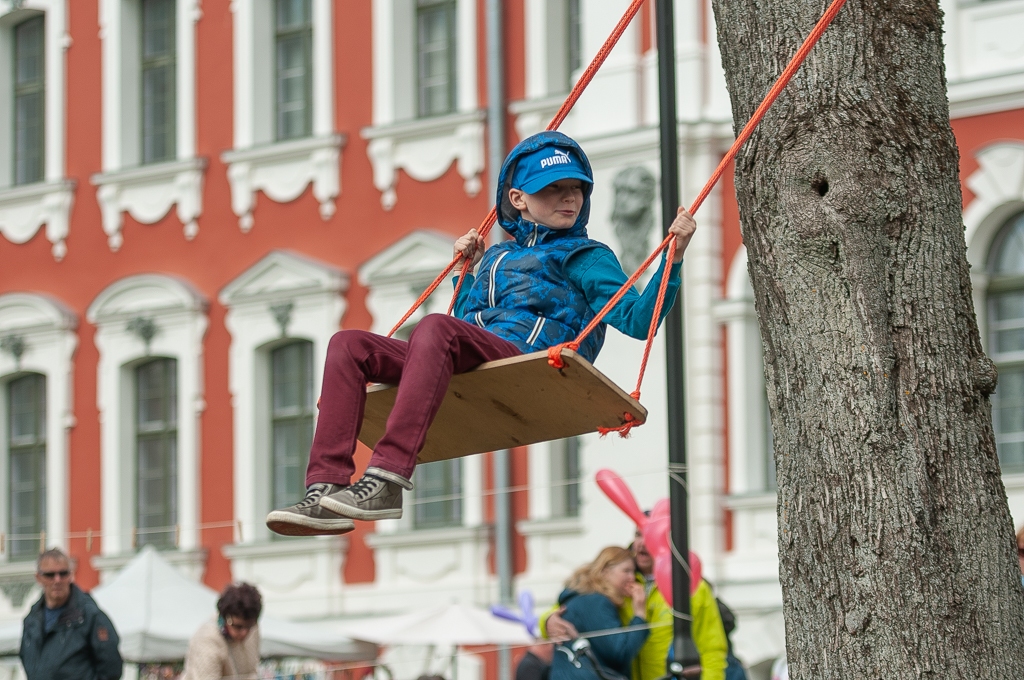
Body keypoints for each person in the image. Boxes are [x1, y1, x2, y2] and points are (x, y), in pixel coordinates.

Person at [267, 130, 697, 536]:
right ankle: (324, 488)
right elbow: (469, 318)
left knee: (435, 327)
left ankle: (388, 477)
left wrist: (672, 261)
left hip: (532, 359)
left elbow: (640, 321)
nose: (570, 197)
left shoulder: (585, 256)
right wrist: (466, 273)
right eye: (552, 188)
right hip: (479, 353)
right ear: (518, 198)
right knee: (349, 344)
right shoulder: (497, 256)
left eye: (577, 188)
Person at [543, 528, 728, 680]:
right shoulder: (615, 587)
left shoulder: (689, 584)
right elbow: (561, 611)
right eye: (638, 534)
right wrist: (546, 621)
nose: (642, 541)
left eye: (652, 534)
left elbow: (713, 647)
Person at [20, 548, 123, 680]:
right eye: (50, 575)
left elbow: (111, 668)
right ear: (38, 578)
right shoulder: (31, 620)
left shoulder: (90, 616)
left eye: (63, 573)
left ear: (71, 575)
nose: (57, 580)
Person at [550, 547, 650, 680]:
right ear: (605, 571)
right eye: (626, 571)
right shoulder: (596, 601)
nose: (632, 578)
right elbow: (620, 653)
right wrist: (639, 614)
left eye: (633, 572)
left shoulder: (581, 597)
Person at [181, 582, 262, 680]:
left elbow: (252, 672)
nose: (244, 633)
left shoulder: (253, 629)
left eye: (249, 626)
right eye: (238, 626)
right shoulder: (207, 639)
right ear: (225, 618)